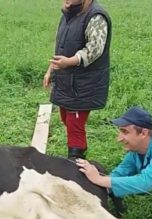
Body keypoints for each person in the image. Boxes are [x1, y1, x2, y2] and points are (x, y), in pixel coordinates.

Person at [43, 0, 112, 159]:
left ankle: (76, 163)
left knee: (75, 124)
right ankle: (81, 153)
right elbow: (60, 46)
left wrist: (69, 61)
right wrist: (50, 71)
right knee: (66, 118)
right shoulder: (68, 15)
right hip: (66, 79)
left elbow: (95, 49)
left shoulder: (96, 16)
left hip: (84, 82)